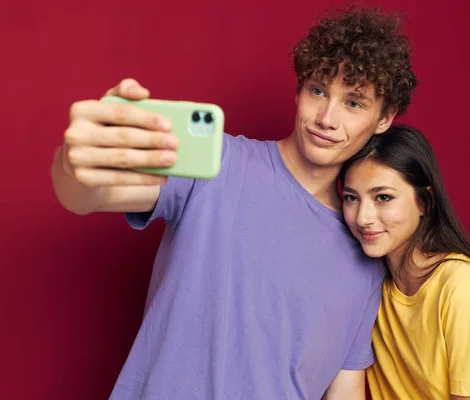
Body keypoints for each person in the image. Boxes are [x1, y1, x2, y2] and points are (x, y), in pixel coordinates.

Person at [50, 6, 418, 400]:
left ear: (384, 119)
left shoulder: (365, 255)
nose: (327, 118)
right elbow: (91, 195)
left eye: (354, 103)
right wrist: (75, 165)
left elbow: (344, 390)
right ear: (298, 90)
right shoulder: (216, 165)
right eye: (318, 91)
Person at [340, 124, 470, 400]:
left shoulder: (463, 288)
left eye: (383, 197)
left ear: (425, 202)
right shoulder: (370, 284)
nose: (363, 217)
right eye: (352, 198)